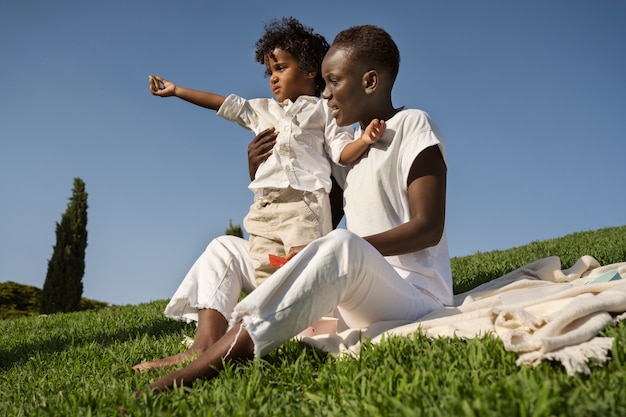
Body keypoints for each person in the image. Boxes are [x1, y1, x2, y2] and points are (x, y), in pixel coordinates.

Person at [134, 24, 453, 395]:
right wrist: (256, 168)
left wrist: (329, 250)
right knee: (224, 248)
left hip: (412, 295)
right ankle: (204, 342)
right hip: (354, 294)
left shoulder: (412, 123)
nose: (327, 93)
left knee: (341, 245)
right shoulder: (346, 148)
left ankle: (206, 367)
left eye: (333, 82)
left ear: (370, 82)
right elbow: (311, 202)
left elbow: (428, 228)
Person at [149, 17, 384, 284]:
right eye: (270, 71)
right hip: (265, 207)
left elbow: (341, 152)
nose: (273, 77)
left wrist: (364, 140)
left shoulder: (323, 111)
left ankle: (311, 321)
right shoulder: (264, 110)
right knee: (264, 274)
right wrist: (178, 90)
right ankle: (269, 320)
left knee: (306, 269)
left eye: (281, 68)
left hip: (304, 206)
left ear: (309, 70)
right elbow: (224, 104)